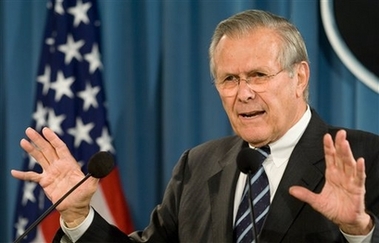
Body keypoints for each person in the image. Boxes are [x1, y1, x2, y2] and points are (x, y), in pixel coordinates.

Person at [12, 9, 379, 242]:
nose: (244, 93)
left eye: (258, 75)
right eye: (229, 79)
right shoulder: (198, 166)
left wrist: (358, 232)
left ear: (299, 78)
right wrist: (77, 216)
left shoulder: (366, 159)